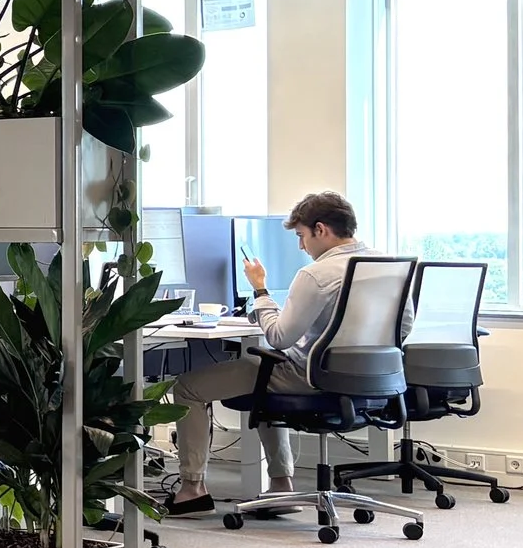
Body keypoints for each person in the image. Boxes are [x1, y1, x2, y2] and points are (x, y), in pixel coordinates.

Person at [168, 191, 403, 510]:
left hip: (310, 378)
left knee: (189, 387)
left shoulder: (316, 274)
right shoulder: (390, 265)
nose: (301, 246)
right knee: (261, 368)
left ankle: (192, 489)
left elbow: (278, 336)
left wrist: (261, 291)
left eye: (301, 236)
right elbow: (402, 328)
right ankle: (281, 485)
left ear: (321, 230)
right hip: (370, 380)